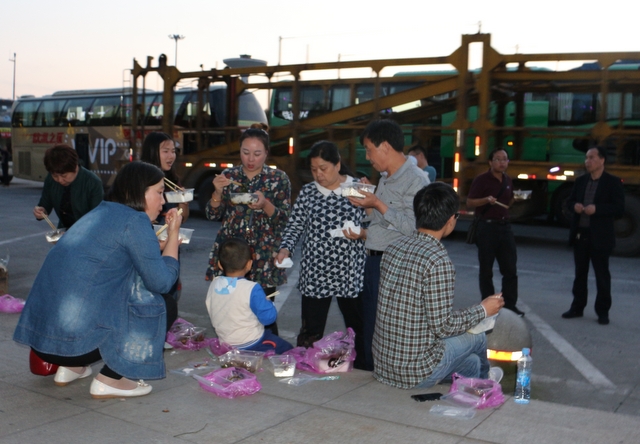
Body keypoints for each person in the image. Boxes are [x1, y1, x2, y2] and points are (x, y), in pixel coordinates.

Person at [14, 161, 182, 399]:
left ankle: (72, 368)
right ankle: (111, 379)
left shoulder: (101, 210)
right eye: (159, 192)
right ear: (139, 191)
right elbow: (162, 282)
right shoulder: (135, 221)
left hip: (45, 342)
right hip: (73, 344)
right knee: (165, 304)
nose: (163, 201)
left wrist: (153, 248)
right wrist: (174, 235)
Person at [373, 182, 504, 389]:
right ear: (451, 220)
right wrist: (483, 310)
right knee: (478, 338)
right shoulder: (438, 260)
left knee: (473, 362)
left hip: (384, 365)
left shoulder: (393, 248)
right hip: (414, 373)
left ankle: (474, 384)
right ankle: (487, 385)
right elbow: (443, 327)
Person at [345, 119, 430, 370]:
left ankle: (387, 372)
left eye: (369, 149)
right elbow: (382, 220)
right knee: (371, 323)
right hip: (374, 260)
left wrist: (376, 203)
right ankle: (374, 371)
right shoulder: (385, 177)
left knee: (388, 326)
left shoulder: (416, 180)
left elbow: (414, 228)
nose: (367, 156)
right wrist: (366, 204)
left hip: (395, 263)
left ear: (385, 146)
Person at [275, 141, 366, 368]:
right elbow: (295, 226)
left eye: (323, 168)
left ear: (337, 165)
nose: (318, 175)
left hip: (349, 271)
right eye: (314, 169)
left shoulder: (356, 188)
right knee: (311, 328)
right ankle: (307, 362)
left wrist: (365, 226)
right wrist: (285, 248)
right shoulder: (309, 192)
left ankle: (364, 362)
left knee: (358, 323)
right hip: (316, 271)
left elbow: (373, 223)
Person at [205, 124, 291, 335]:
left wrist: (265, 204)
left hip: (264, 256)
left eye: (257, 154)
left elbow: (284, 220)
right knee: (230, 310)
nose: (250, 159)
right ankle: (232, 348)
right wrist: (217, 193)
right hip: (232, 255)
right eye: (245, 152)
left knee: (264, 313)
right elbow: (212, 215)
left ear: (266, 153)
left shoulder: (278, 179)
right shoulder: (229, 176)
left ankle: (268, 348)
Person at [562, 146, 625, 325]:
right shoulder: (581, 181)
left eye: (592, 158)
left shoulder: (612, 182)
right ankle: (577, 307)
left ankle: (602, 311)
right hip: (581, 234)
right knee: (580, 274)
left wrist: (597, 209)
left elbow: (619, 209)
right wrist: (574, 206)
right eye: (586, 158)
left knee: (602, 275)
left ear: (602, 160)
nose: (587, 161)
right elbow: (570, 201)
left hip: (601, 236)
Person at [206, 238, 293, 354]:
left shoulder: (215, 283)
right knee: (288, 348)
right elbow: (268, 319)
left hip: (225, 341)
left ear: (220, 265)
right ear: (249, 264)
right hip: (251, 342)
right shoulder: (252, 288)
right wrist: (268, 303)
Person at [466, 148, 524, 317]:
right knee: (486, 270)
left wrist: (517, 198)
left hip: (504, 227)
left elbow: (508, 203)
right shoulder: (481, 180)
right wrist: (486, 200)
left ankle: (510, 305)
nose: (501, 162)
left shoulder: (507, 180)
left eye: (504, 159)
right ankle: (488, 306)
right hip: (487, 227)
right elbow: (470, 202)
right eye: (498, 159)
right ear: (490, 162)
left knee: (510, 269)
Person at [141, 132, 189, 332]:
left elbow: (183, 215)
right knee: (150, 292)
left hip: (170, 243)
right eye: (165, 151)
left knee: (170, 289)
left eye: (173, 151)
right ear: (153, 152)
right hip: (148, 245)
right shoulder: (141, 178)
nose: (171, 156)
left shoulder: (172, 180)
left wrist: (183, 202)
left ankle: (163, 332)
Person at [33, 144, 103, 229]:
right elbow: (45, 203)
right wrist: (41, 211)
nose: (59, 180)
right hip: (64, 230)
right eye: (55, 176)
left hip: (88, 231)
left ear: (75, 167)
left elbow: (97, 217)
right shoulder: (50, 179)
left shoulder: (93, 182)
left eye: (64, 176)